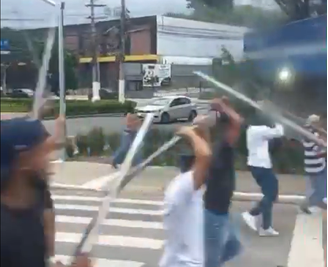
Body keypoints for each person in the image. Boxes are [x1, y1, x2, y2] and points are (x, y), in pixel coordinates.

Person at [0, 117, 91, 267]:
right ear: (24, 161)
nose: (49, 160)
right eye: (42, 153)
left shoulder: (30, 201)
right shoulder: (6, 230)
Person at [159, 116, 212, 267]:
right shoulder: (185, 187)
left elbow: (205, 155)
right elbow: (205, 156)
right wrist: (190, 134)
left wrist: (201, 132)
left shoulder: (183, 185)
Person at [204, 98, 243, 267]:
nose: (236, 135)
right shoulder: (222, 146)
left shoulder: (221, 146)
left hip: (222, 210)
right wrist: (223, 106)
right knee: (212, 260)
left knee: (233, 246)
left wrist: (222, 107)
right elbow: (238, 121)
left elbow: (235, 122)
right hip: (213, 212)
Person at [241, 111, 284, 236]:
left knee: (269, 195)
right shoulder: (259, 130)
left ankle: (266, 227)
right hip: (261, 166)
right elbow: (279, 132)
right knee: (271, 194)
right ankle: (251, 214)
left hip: (259, 165)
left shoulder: (253, 130)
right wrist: (278, 120)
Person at [300, 114, 327, 214]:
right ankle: (308, 204)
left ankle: (319, 201)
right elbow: (318, 151)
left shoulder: (312, 133)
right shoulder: (310, 135)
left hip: (319, 165)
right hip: (315, 166)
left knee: (320, 186)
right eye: (317, 122)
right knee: (319, 189)